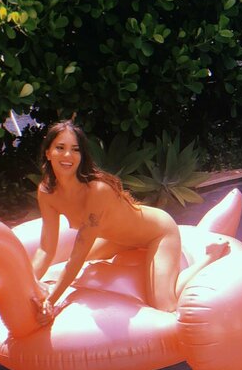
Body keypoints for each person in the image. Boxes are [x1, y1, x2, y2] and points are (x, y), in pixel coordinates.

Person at [30, 120, 228, 323]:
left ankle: (210, 257)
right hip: (118, 239)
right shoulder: (47, 192)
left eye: (75, 149)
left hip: (157, 233)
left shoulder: (97, 191)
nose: (67, 155)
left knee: (164, 305)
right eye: (60, 148)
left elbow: (78, 255)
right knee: (62, 268)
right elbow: (46, 249)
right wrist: (27, 285)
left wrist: (50, 301)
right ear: (48, 152)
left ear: (82, 156)